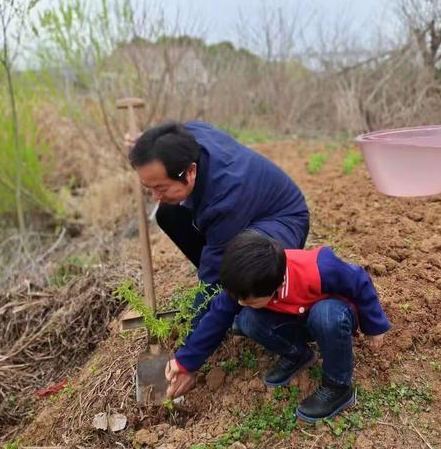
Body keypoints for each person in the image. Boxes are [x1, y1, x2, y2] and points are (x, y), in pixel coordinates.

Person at [165, 230, 391, 421]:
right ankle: (298, 354)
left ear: (278, 283)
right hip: (298, 319)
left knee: (326, 315)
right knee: (246, 319)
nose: (241, 302)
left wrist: (374, 325)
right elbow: (216, 318)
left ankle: (338, 386)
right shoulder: (246, 283)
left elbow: (360, 281)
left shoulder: (319, 268)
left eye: (249, 299)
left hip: (332, 319)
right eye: (239, 298)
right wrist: (185, 362)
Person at [128, 121, 309, 327]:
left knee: (241, 259)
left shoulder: (225, 198)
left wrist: (193, 327)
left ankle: (247, 305)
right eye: (148, 187)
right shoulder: (186, 137)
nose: (154, 196)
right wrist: (145, 147)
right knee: (168, 212)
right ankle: (226, 288)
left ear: (190, 172)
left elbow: (213, 267)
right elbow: (163, 137)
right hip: (245, 208)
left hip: (281, 221)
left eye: (161, 187)